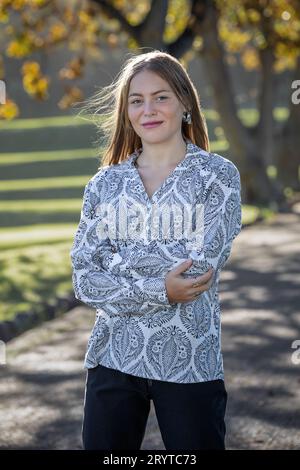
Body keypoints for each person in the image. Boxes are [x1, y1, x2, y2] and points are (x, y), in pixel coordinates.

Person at [70, 50, 242, 450]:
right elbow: (84, 278)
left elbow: (195, 272)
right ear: (126, 111)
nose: (148, 109)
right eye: (136, 100)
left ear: (184, 101)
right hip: (113, 358)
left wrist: (118, 266)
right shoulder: (104, 185)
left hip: (189, 362)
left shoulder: (217, 177)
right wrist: (160, 288)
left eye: (161, 96)